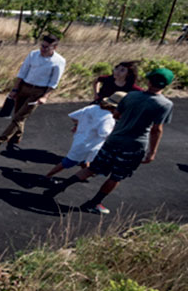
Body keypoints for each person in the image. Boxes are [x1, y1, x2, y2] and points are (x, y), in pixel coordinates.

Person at [44, 69, 174, 214]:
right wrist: (152, 152)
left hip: (113, 140)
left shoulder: (131, 96)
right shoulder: (165, 104)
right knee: (116, 176)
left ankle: (61, 186)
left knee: (92, 168)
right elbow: (157, 129)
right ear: (167, 84)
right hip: (134, 145)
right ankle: (94, 202)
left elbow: (116, 114)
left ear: (149, 81)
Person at [0, 33, 65, 151]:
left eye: (46, 47)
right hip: (24, 87)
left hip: (38, 91)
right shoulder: (33, 54)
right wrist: (15, 89)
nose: (42, 49)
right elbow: (22, 72)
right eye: (42, 46)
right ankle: (17, 136)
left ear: (54, 48)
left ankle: (0, 140)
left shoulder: (59, 61)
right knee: (17, 115)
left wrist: (45, 96)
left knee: (19, 117)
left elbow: (54, 82)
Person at [44, 92, 122, 180]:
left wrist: (81, 125)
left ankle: (84, 173)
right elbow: (103, 133)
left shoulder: (92, 108)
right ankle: (48, 175)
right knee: (68, 162)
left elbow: (74, 117)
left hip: (80, 138)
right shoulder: (109, 118)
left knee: (85, 159)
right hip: (91, 144)